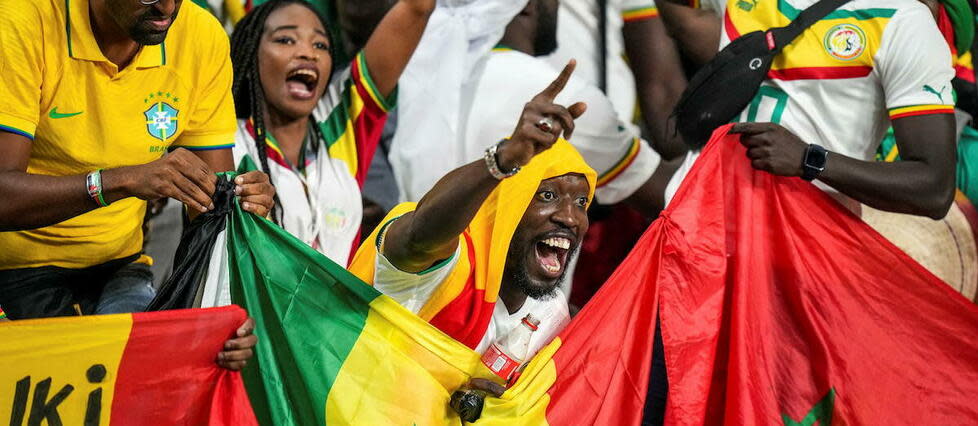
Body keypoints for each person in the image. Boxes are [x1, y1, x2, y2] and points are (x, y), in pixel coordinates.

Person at [0, 0, 275, 319]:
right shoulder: (21, 20)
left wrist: (243, 200)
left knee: (158, 359)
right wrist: (120, 181)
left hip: (120, 268)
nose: (167, 7)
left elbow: (212, 207)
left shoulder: (199, 35)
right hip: (13, 270)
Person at [349, 62, 593, 358]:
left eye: (581, 202)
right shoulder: (446, 268)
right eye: (547, 195)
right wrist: (502, 161)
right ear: (507, 205)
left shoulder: (550, 315)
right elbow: (418, 238)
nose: (570, 217)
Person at [658, 0, 957, 220]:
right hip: (694, 238)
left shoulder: (902, 20)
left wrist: (809, 159)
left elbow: (934, 189)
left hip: (801, 259)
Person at [228, 0, 433, 265]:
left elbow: (418, 7)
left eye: (320, 45)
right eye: (286, 40)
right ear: (251, 52)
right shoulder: (226, 142)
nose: (307, 53)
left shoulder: (342, 122)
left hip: (340, 307)